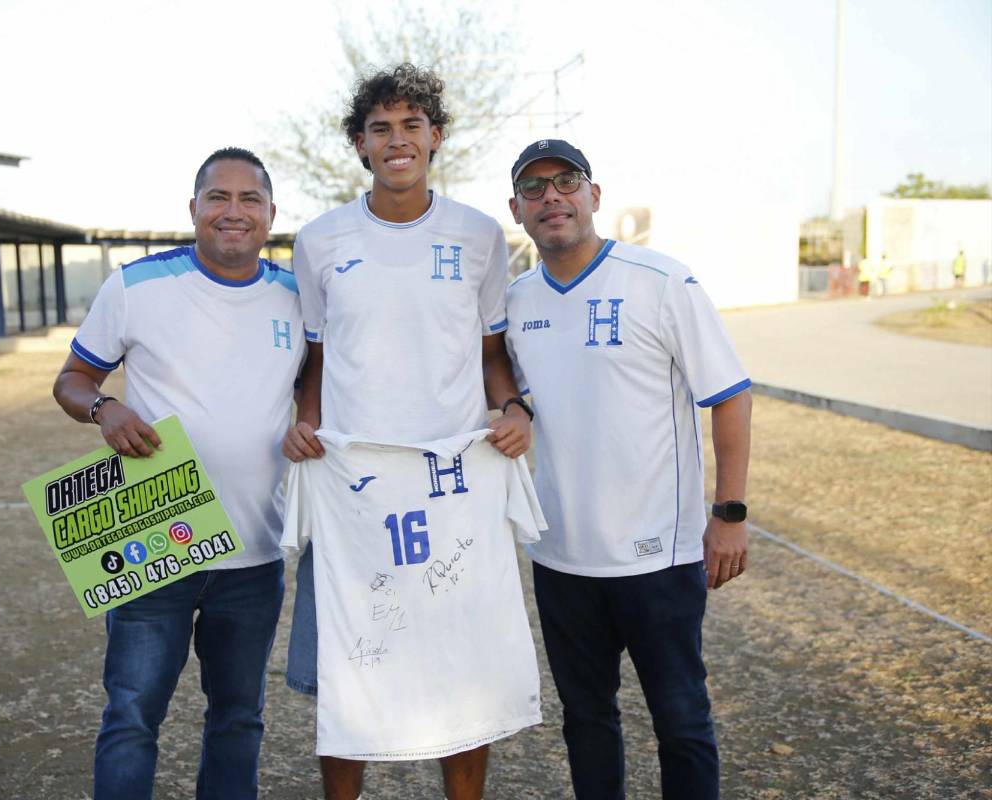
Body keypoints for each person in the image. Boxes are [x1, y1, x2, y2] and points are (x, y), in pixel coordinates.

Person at [281, 63, 534, 800]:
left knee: (464, 666)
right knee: (351, 662)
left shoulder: (481, 236)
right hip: (354, 489)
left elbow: (491, 356)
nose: (397, 141)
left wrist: (513, 409)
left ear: (436, 137)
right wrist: (305, 422)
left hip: (454, 485)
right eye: (381, 129)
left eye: (412, 126)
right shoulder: (321, 241)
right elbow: (316, 361)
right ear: (360, 145)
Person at [504, 139, 753, 800]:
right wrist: (513, 406)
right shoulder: (519, 301)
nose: (551, 197)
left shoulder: (661, 281)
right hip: (562, 556)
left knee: (681, 722)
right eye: (534, 189)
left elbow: (729, 394)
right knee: (586, 721)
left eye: (566, 182)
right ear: (517, 210)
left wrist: (729, 514)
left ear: (594, 195)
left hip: (658, 557)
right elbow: (513, 388)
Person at [52, 147, 303, 800]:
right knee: (133, 715)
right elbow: (73, 379)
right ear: (192, 209)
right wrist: (103, 409)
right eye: (218, 197)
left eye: (250, 199)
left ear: (271, 214)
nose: (233, 211)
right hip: (157, 535)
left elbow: (326, 387)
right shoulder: (136, 287)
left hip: (253, 556)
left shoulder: (297, 299)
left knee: (238, 717)